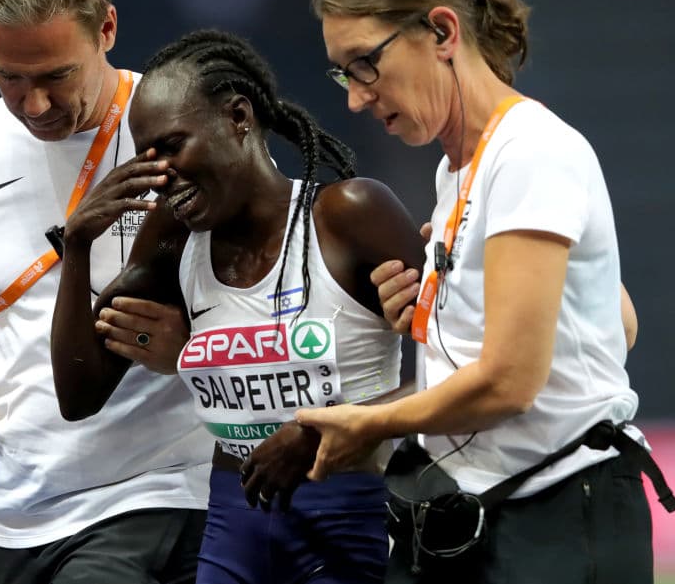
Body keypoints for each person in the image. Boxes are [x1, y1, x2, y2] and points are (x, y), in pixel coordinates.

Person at [294, 0, 675, 583]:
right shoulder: (458, 175)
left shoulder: (529, 151)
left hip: (559, 515)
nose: (355, 96)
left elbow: (510, 380)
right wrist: (444, 312)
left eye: (365, 63)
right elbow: (615, 322)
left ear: (442, 31)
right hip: (494, 510)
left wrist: (371, 422)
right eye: (342, 72)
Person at [49, 29, 427, 584]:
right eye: (146, 159)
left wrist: (327, 431)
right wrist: (78, 246)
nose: (161, 176)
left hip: (352, 511)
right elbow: (79, 395)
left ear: (239, 117)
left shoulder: (349, 214)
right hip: (236, 518)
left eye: (173, 146)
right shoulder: (173, 236)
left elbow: (468, 367)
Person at [0, 0, 212, 584]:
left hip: (165, 492)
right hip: (17, 519)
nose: (35, 103)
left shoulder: (193, 132)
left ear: (106, 27)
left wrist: (192, 348)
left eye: (56, 76)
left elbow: (281, 301)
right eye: (9, 78)